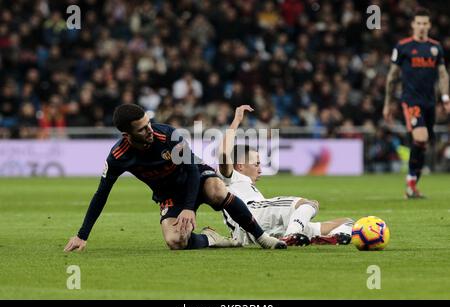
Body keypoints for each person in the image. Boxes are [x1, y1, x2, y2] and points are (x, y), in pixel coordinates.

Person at [64, 104, 287, 252]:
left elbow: (190, 170)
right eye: (142, 129)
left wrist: (189, 207)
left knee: (217, 191)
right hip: (170, 195)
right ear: (126, 135)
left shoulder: (168, 135)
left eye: (148, 123)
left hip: (197, 177)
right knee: (175, 241)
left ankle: (262, 237)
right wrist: (82, 235)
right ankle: (212, 238)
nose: (149, 130)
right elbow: (101, 194)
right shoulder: (118, 157)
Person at [217, 105, 354, 246]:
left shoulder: (244, 186)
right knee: (309, 204)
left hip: (264, 229)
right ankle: (291, 235)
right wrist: (237, 120)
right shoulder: (230, 178)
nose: (260, 170)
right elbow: (223, 155)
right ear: (240, 166)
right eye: (256, 164)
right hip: (254, 213)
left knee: (348, 222)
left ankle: (329, 236)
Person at [383, 7, 450, 199]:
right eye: (418, 23)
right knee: (420, 137)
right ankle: (411, 182)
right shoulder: (403, 47)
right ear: (413, 25)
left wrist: (445, 97)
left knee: (423, 143)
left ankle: (412, 184)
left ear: (429, 25)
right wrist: (387, 104)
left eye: (424, 23)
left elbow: (443, 74)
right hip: (411, 101)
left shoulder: (435, 47)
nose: (421, 27)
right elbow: (391, 77)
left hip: (430, 102)